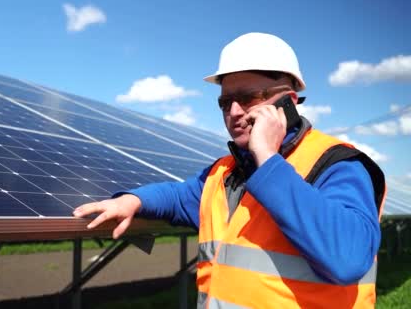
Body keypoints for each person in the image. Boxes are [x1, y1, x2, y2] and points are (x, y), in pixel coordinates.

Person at [73, 32, 387, 308]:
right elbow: (178, 196)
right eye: (225, 102)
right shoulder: (225, 172)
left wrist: (267, 159)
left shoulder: (338, 165)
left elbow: (347, 258)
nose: (234, 112)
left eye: (248, 98)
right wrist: (133, 200)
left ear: (289, 101)